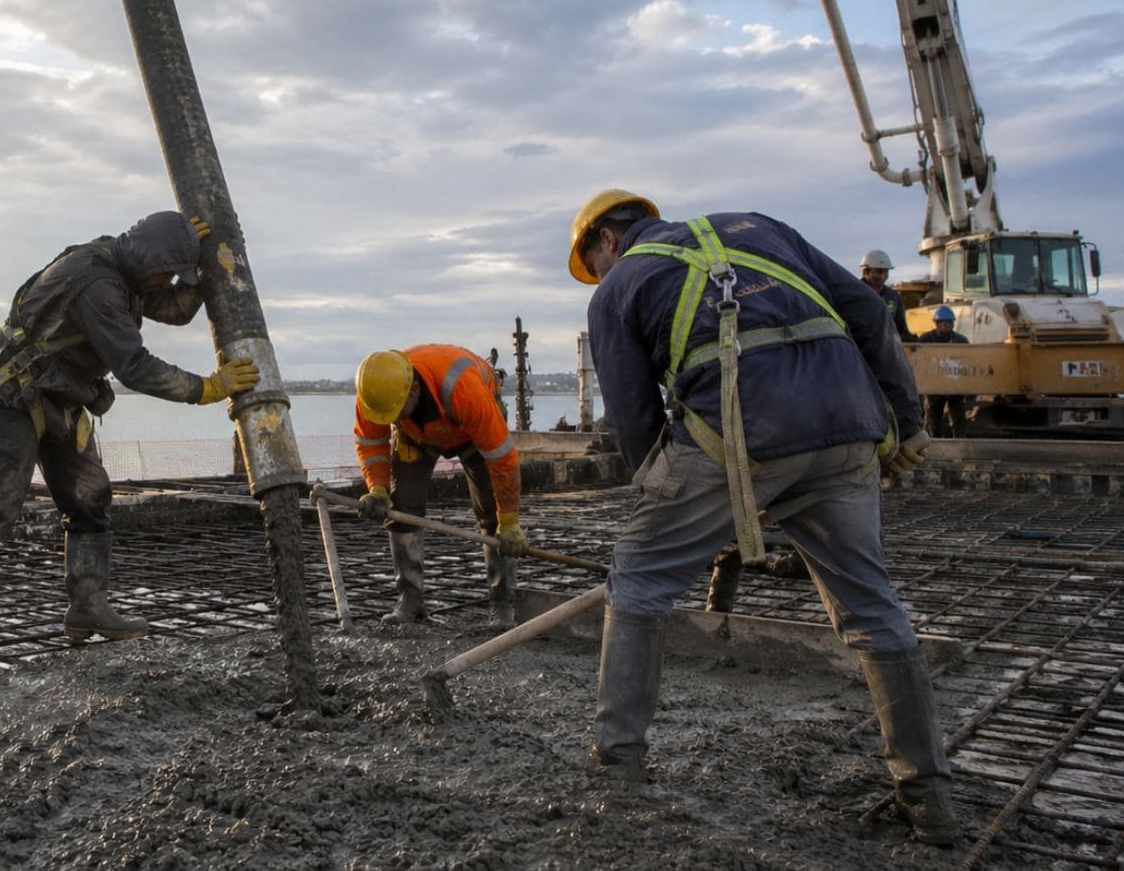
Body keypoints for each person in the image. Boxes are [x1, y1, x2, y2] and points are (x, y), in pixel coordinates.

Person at [569, 189, 958, 846]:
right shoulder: (759, 227)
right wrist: (907, 418)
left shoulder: (619, 288)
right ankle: (930, 800)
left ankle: (617, 771)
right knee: (871, 608)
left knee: (637, 581)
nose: (600, 278)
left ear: (608, 240)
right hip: (850, 422)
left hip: (738, 430)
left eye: (594, 266)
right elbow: (865, 310)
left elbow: (634, 420)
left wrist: (666, 504)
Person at [0, 211, 259, 670]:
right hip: (15, 395)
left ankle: (88, 607)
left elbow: (172, 310)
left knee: (90, 500)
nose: (165, 282)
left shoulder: (129, 271)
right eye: (166, 273)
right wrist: (206, 388)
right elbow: (134, 367)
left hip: (62, 396)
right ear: (150, 261)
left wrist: (201, 267)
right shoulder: (96, 283)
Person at [353, 345, 531, 629]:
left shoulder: (464, 390)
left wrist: (509, 520)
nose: (391, 420)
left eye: (395, 413)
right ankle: (410, 600)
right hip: (417, 436)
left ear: (413, 390)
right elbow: (371, 445)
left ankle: (503, 603)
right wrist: (378, 489)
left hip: (470, 433)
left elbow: (503, 459)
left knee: (492, 515)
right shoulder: (376, 395)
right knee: (401, 510)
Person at [916, 305, 970, 437]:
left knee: (958, 418)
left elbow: (968, 361)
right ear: (936, 323)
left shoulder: (960, 340)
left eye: (948, 322)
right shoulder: (926, 339)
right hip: (934, 386)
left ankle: (959, 445)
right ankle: (934, 443)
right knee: (934, 417)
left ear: (953, 323)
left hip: (955, 386)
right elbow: (919, 360)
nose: (945, 325)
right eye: (942, 323)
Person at [860, 249, 914, 343]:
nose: (882, 276)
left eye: (885, 272)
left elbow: (901, 328)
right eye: (878, 271)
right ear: (866, 272)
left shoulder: (893, 297)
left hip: (887, 347)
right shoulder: (854, 294)